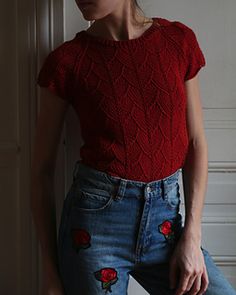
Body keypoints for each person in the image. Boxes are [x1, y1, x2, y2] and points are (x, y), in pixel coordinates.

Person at [31, 0, 236, 294]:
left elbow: (195, 143)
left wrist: (191, 235)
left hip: (166, 230)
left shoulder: (177, 42)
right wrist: (51, 275)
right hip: (94, 232)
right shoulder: (68, 62)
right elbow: (41, 173)